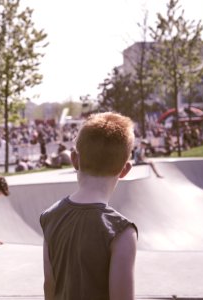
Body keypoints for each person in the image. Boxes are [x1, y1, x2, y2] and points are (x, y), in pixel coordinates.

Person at [40, 112, 138, 300]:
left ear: (74, 159)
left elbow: (49, 286)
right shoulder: (122, 232)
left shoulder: (50, 217)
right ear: (125, 170)